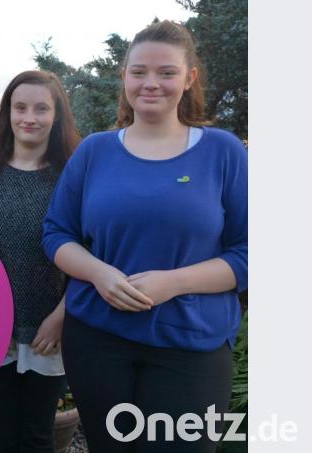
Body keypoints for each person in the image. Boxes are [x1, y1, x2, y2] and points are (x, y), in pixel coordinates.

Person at [42, 21, 247, 453]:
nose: (150, 83)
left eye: (166, 72)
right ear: (125, 77)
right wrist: (98, 274)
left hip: (190, 345)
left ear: (189, 78)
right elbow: (58, 234)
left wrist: (174, 282)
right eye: (139, 72)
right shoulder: (94, 151)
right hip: (98, 340)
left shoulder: (223, 152)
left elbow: (250, 252)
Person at [0, 70, 79, 453]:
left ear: (56, 116)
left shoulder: (71, 180)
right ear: (6, 113)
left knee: (38, 437)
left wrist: (60, 318)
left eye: (41, 108)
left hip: (47, 332)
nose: (29, 117)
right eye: (20, 107)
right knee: (3, 436)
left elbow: (91, 256)